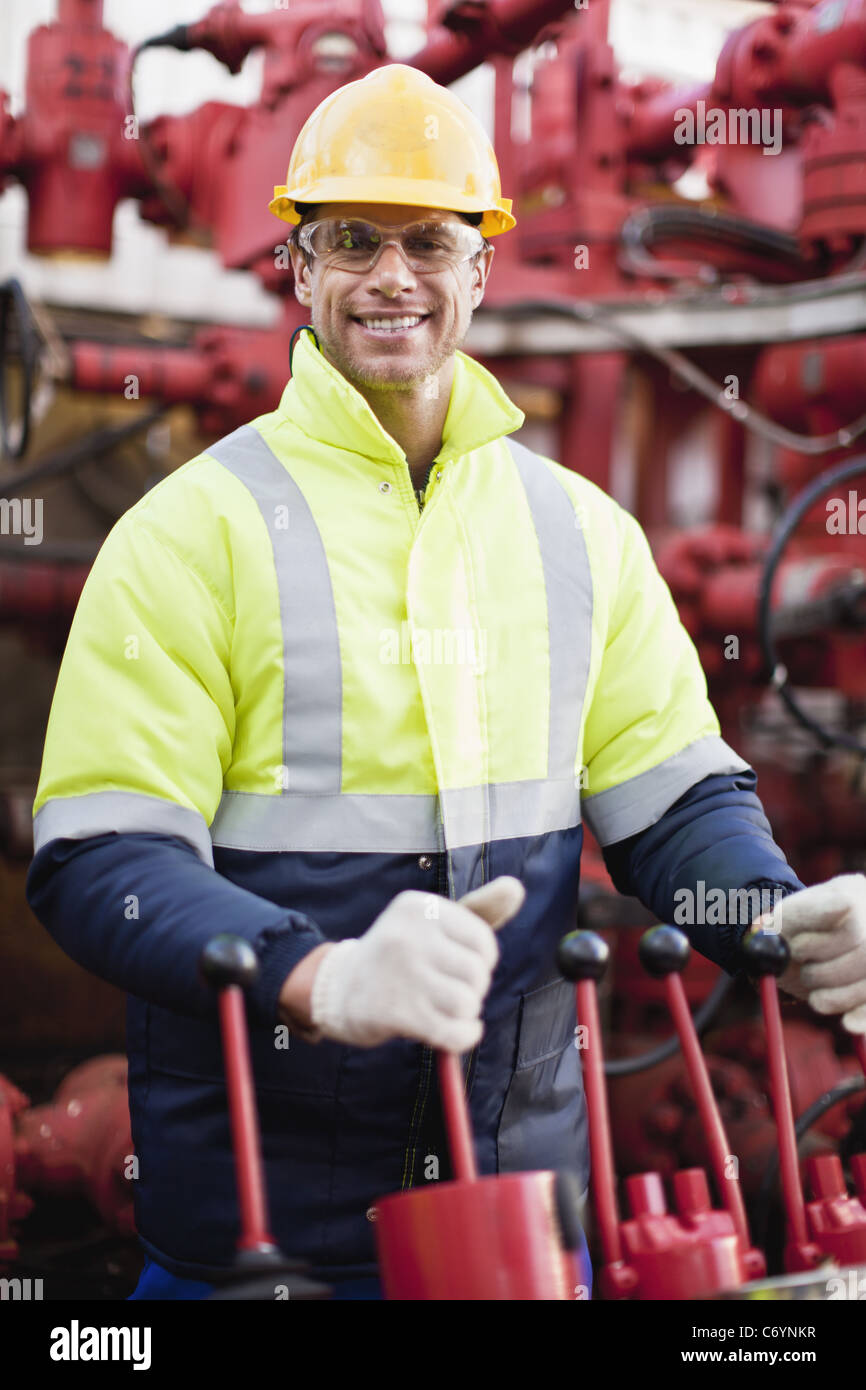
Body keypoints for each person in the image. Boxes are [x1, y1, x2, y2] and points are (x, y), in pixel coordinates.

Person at [26, 64, 866, 1302]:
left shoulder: (580, 533)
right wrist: (316, 975)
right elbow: (99, 856)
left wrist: (770, 916)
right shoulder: (185, 535)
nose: (392, 276)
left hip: (522, 1213)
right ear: (299, 268)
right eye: (351, 240)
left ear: (478, 269)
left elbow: (672, 799)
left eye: (428, 240)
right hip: (262, 1226)